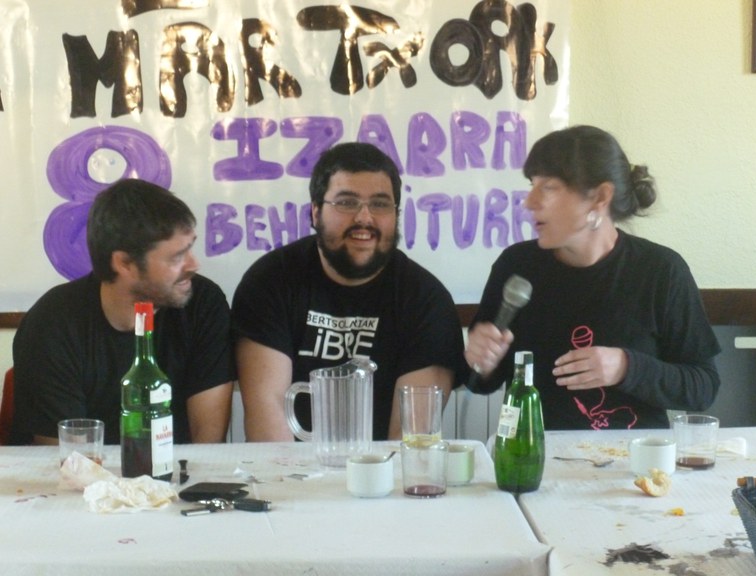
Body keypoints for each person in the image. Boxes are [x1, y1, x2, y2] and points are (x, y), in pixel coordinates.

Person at [465, 125, 721, 430]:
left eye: (548, 187)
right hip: (533, 452)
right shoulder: (516, 265)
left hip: (634, 456)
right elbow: (480, 382)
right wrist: (481, 363)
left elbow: (703, 387)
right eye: (533, 185)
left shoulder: (661, 271)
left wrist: (626, 367)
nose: (529, 202)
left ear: (600, 197)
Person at [231, 142, 466, 441]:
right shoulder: (268, 282)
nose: (364, 218)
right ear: (315, 212)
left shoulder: (427, 301)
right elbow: (268, 426)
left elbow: (410, 442)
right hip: (290, 466)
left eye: (380, 204)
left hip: (384, 466)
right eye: (346, 202)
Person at [10, 179, 234, 445]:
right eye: (177, 256)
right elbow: (68, 459)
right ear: (124, 263)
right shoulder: (52, 323)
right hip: (84, 471)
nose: (193, 265)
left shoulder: (204, 303)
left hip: (176, 471)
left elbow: (208, 445)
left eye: (190, 248)